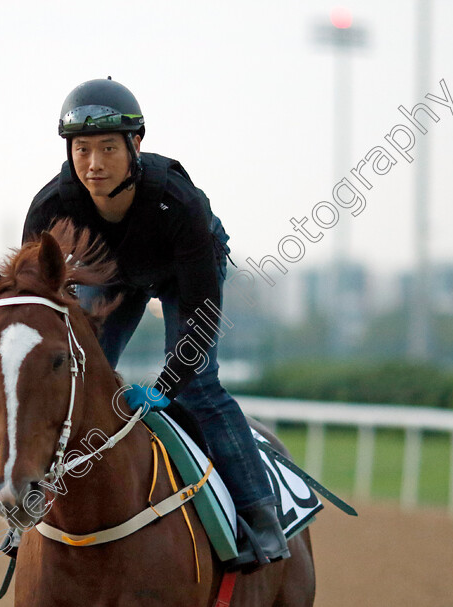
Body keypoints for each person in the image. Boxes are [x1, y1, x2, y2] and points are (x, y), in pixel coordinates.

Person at [21, 77, 289, 571]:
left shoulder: (180, 203)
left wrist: (169, 384)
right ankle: (38, 505)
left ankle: (261, 516)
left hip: (185, 271)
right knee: (80, 381)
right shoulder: (50, 207)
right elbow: (35, 297)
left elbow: (201, 316)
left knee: (199, 386)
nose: (94, 164)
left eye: (107, 149)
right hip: (115, 273)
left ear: (135, 145)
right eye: (82, 150)